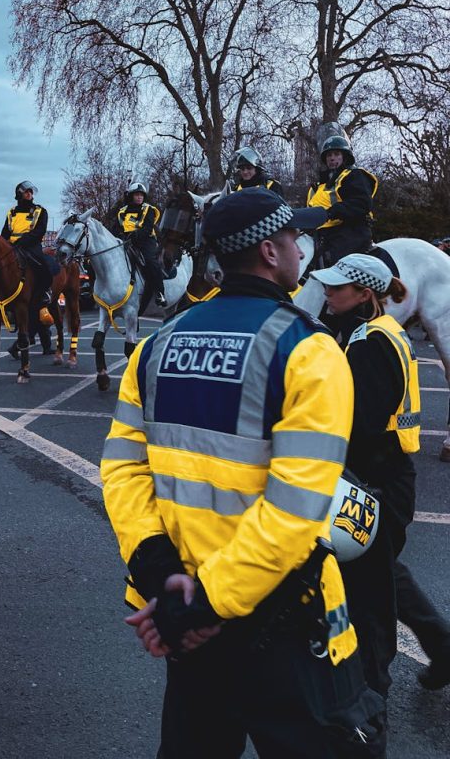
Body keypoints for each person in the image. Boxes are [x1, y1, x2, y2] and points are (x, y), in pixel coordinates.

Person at [101, 187, 383, 758]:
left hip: (186, 621)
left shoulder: (155, 347)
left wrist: (162, 577)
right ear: (271, 253)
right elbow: (298, 507)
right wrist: (207, 603)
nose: (303, 248)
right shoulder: (310, 350)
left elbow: (123, 471)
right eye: (293, 237)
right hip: (285, 625)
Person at [312, 254, 450, 699]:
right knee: (381, 574)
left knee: (371, 598)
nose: (328, 293)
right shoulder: (383, 331)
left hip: (374, 479)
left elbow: (363, 424)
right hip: (389, 476)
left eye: (337, 287)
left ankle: (371, 695)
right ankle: (441, 646)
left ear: (364, 294)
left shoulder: (368, 344)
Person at [307, 135, 377, 265]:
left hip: (350, 230)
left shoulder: (354, 175)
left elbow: (361, 203)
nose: (332, 158)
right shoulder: (319, 186)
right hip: (322, 234)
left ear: (345, 156)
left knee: (339, 265)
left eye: (336, 154)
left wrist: (333, 212)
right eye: (328, 155)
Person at [0, 180, 54, 306]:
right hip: (12, 247)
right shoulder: (11, 212)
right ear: (19, 195)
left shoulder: (40, 211)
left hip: (31, 246)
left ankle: (45, 292)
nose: (29, 194)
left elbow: (40, 231)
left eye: (30, 192)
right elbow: (5, 232)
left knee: (43, 267)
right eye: (26, 192)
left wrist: (23, 241)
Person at [114, 181, 167, 307]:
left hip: (145, 240)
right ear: (131, 196)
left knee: (150, 261)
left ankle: (160, 293)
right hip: (126, 241)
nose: (139, 197)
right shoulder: (122, 211)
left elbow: (148, 227)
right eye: (137, 195)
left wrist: (135, 235)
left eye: (141, 195)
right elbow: (116, 228)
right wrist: (120, 237)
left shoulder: (148, 209)